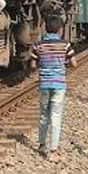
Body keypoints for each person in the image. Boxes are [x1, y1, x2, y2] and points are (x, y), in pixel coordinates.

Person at [30, 14, 77, 160]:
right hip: (59, 85)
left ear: (45, 28)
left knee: (44, 115)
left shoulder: (38, 45)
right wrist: (63, 65)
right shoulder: (65, 45)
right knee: (56, 116)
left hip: (44, 85)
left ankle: (42, 144)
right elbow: (74, 64)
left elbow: (32, 65)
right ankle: (54, 151)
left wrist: (43, 65)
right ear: (60, 30)